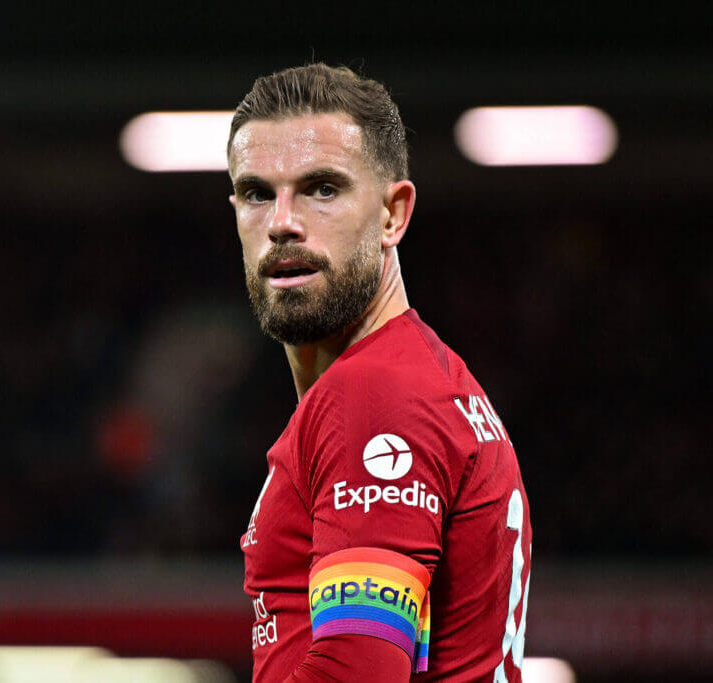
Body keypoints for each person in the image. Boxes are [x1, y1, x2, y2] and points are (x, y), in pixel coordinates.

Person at [229, 64, 532, 682]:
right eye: (259, 193)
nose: (282, 221)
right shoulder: (423, 376)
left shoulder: (375, 395)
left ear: (395, 214)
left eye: (322, 189)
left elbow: (353, 673)